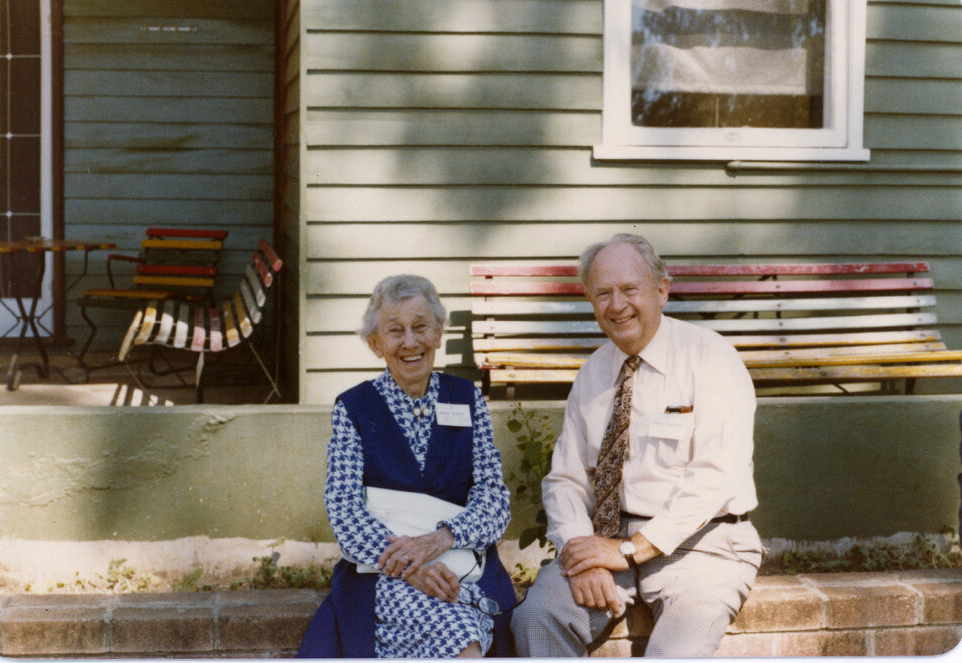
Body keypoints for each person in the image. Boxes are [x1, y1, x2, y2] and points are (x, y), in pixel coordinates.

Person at [511, 234, 763, 657]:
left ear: (662, 290)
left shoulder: (712, 358)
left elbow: (716, 476)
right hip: (607, 538)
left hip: (704, 544)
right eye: (603, 293)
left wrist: (631, 550)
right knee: (537, 619)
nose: (617, 305)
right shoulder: (593, 372)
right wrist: (581, 551)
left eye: (630, 289)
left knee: (677, 651)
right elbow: (565, 479)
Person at [297, 274, 516, 658]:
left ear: (438, 333)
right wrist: (410, 567)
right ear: (375, 344)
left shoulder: (467, 399)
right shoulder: (354, 407)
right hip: (382, 573)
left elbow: (493, 497)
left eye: (420, 327)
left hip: (461, 564)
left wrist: (442, 538)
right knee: (461, 632)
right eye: (395, 331)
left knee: (465, 625)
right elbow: (345, 509)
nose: (410, 342)